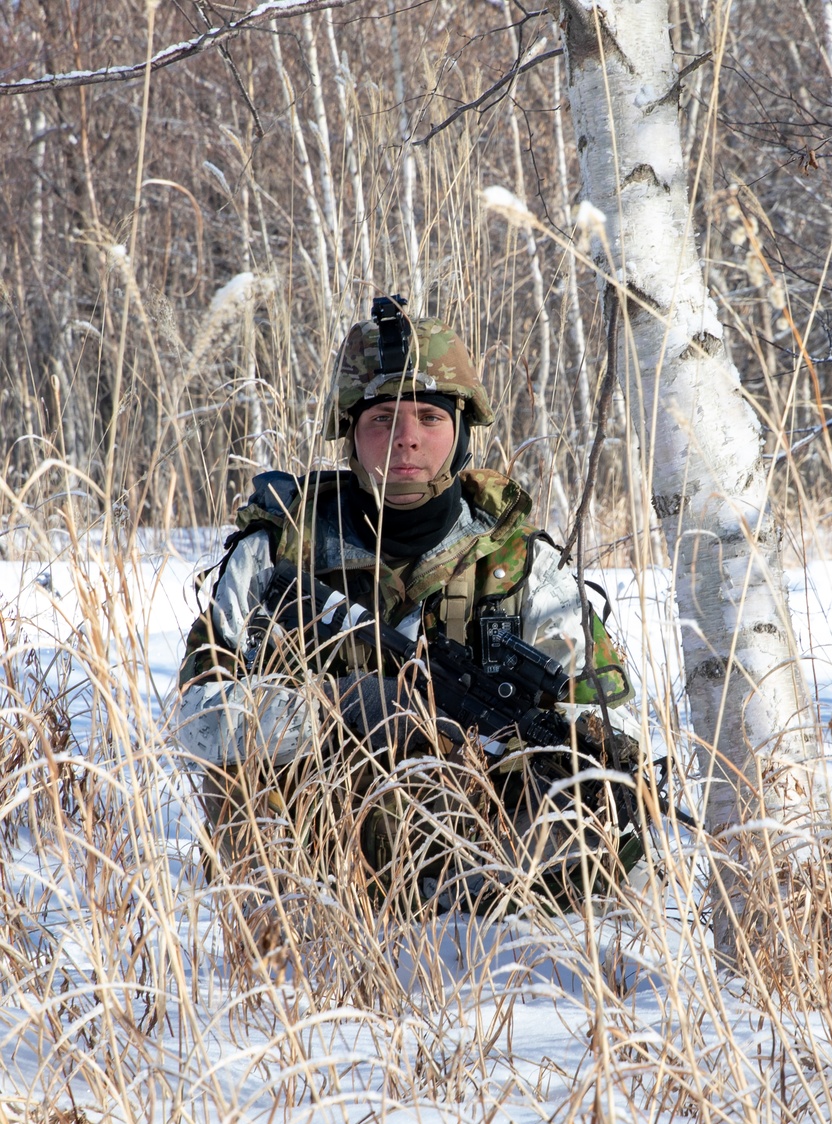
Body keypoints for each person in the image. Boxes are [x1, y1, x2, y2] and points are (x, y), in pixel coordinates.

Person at [177, 296, 641, 910]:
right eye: (381, 419)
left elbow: (615, 730)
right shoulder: (278, 551)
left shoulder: (522, 564)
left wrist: (572, 753)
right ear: (350, 434)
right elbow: (195, 722)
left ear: (461, 431)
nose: (406, 440)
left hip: (483, 901)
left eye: (428, 415)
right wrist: (337, 712)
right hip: (301, 893)